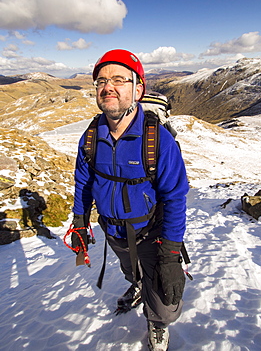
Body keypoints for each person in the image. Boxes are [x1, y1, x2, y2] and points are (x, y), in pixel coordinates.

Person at [71, 49, 190, 351]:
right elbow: (83, 183)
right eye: (101, 80)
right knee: (131, 271)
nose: (107, 86)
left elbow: (175, 198)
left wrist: (170, 254)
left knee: (165, 301)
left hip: (152, 234)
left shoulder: (158, 141)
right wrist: (80, 223)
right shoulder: (90, 137)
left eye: (119, 79)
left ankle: (157, 322)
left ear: (138, 90)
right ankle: (138, 286)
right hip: (114, 232)